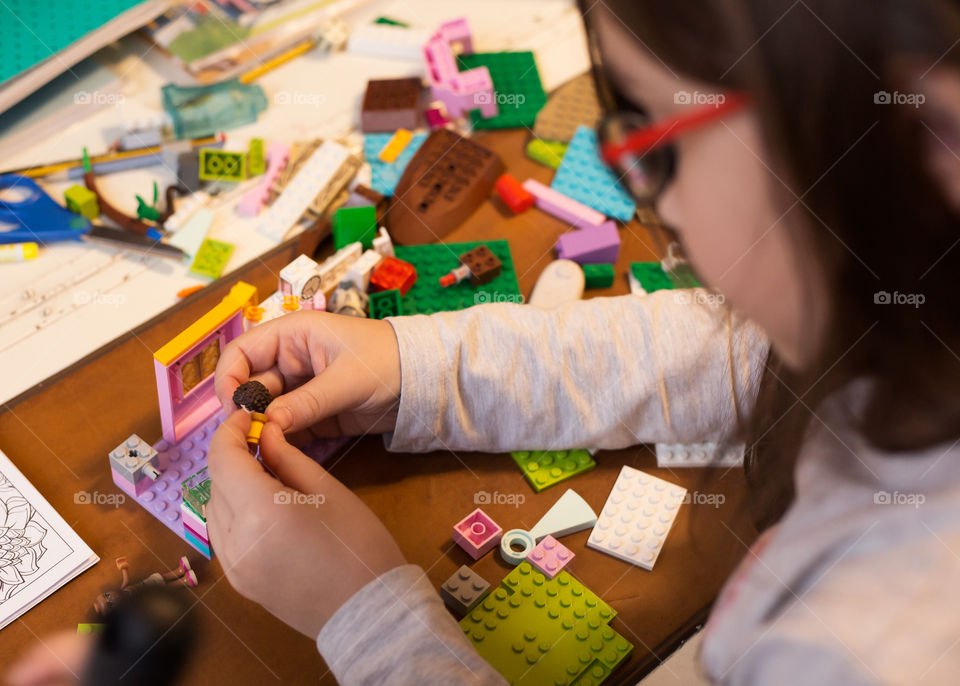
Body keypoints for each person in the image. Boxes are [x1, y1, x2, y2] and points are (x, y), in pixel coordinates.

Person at [204, 0, 960, 683]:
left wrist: (368, 624)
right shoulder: (896, 317)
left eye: (655, 137)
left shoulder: (861, 653)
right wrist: (422, 370)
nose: (639, 191)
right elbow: (729, 356)